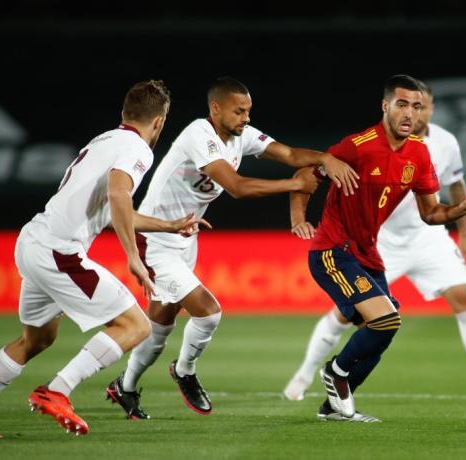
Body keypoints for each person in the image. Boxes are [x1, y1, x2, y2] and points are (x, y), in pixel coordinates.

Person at [0, 80, 206, 438]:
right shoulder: (139, 149)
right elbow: (118, 194)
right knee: (136, 326)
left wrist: (169, 225)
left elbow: (117, 208)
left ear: (124, 113)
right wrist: (133, 257)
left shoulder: (105, 140)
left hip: (33, 240)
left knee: (36, 340)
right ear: (159, 121)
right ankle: (57, 390)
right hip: (59, 251)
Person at [105, 76, 360, 420]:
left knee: (160, 324)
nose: (246, 118)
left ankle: (126, 387)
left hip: (185, 239)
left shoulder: (242, 137)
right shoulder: (200, 135)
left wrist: (325, 158)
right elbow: (237, 187)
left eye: (248, 111)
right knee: (208, 312)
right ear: (215, 108)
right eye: (239, 111)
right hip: (154, 238)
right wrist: (294, 184)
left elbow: (288, 153)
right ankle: (184, 370)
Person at [284, 81, 466, 416]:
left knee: (385, 330)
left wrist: (461, 211)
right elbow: (305, 174)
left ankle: (333, 407)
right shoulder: (359, 146)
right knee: (382, 320)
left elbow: (431, 213)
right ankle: (333, 372)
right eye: (402, 104)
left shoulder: (419, 152)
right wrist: (299, 218)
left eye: (416, 107)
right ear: (385, 106)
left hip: (369, 253)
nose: (410, 113)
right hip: (334, 249)